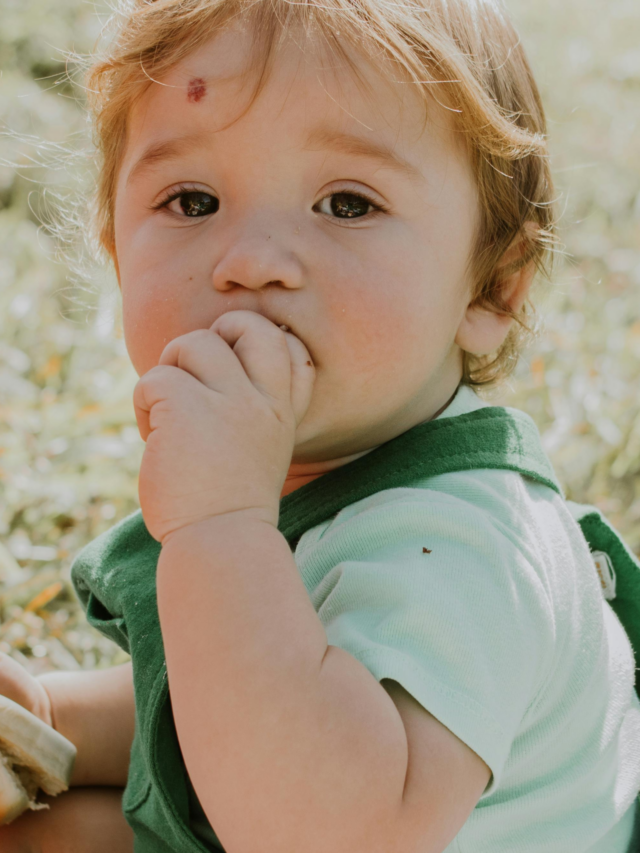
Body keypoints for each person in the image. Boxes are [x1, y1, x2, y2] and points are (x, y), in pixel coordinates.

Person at [2, 0, 640, 850]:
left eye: (346, 203)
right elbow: (231, 686)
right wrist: (53, 716)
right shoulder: (327, 472)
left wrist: (221, 526)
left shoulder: (465, 549)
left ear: (493, 287)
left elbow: (326, 829)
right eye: (193, 200)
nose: (251, 260)